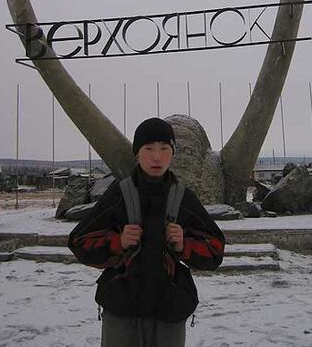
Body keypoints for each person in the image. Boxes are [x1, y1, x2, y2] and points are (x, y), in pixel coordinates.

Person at [68, 117, 225, 347]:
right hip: (122, 310)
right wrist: (117, 242)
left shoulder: (183, 199)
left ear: (173, 153)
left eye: (164, 149)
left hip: (168, 310)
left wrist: (184, 245)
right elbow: (79, 241)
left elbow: (215, 249)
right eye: (149, 148)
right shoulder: (119, 194)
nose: (157, 156)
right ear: (137, 153)